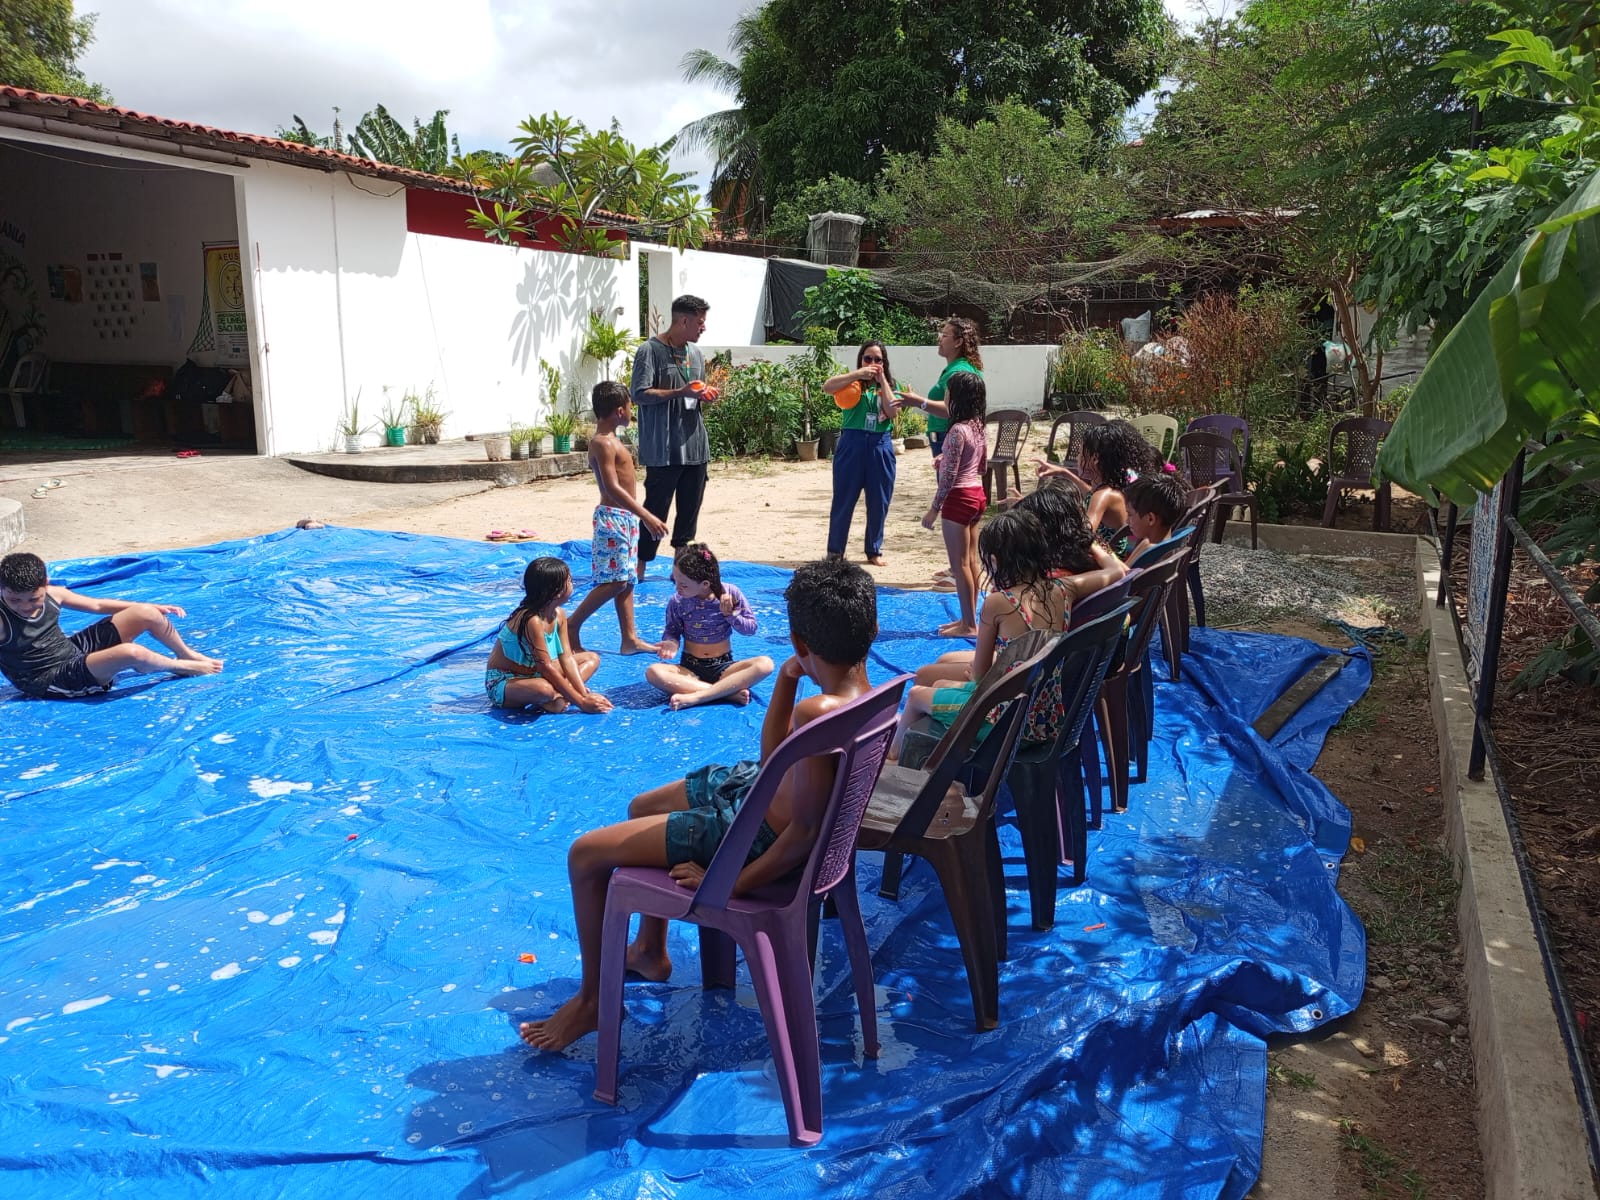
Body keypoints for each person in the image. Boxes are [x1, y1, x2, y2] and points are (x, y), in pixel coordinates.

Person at [520, 557, 879, 1052]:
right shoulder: (877, 697)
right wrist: (788, 677)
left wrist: (730, 880)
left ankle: (592, 1002)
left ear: (799, 642)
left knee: (585, 854)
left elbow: (802, 833)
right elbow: (772, 761)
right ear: (872, 630)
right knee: (642, 806)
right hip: (754, 791)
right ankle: (650, 950)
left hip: (750, 836)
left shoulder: (818, 712)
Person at [888, 510, 1125, 760]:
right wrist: (1090, 541)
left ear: (994, 560)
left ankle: (894, 757)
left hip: (1003, 721)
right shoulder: (1065, 589)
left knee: (915, 695)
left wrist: (974, 672)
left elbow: (980, 675)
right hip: (1045, 718)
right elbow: (1115, 570)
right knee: (939, 685)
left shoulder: (998, 603)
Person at [0, 551, 223, 698]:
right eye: (14, 600)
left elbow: (97, 605)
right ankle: (180, 667)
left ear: (45, 584)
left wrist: (151, 605)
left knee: (146, 612)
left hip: (72, 652)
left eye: (33, 598)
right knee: (132, 653)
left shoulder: (54, 593)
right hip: (50, 680)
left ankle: (185, 653)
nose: (25, 606)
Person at [567, 381, 670, 655]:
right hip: (613, 519)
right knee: (615, 581)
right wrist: (646, 515)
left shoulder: (612, 440)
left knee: (627, 579)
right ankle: (572, 625)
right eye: (629, 406)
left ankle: (629, 639)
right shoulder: (602, 443)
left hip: (625, 518)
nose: (632, 411)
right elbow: (611, 487)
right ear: (620, 411)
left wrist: (637, 517)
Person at [630, 294, 719, 581]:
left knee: (690, 510)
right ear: (683, 321)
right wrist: (680, 392)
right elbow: (639, 394)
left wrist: (705, 395)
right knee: (655, 509)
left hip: (694, 446)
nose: (703, 327)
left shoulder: (696, 354)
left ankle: (680, 569)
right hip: (663, 448)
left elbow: (696, 392)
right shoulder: (650, 351)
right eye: (700, 322)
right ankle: (639, 568)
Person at [646, 543, 775, 710]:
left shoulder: (730, 593)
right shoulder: (677, 601)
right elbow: (672, 630)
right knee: (653, 672)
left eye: (683, 585)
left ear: (705, 584)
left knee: (765, 664)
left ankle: (697, 696)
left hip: (725, 668)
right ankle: (726, 693)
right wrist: (671, 642)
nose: (677, 588)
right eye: (674, 581)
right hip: (689, 669)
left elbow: (751, 629)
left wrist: (731, 615)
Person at [484, 557, 611, 714]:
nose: (573, 584)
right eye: (570, 581)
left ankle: (559, 697)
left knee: (591, 658)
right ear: (557, 592)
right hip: (506, 680)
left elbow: (567, 658)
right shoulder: (532, 620)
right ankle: (555, 696)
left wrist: (583, 695)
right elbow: (545, 668)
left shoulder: (559, 615)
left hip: (535, 673)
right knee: (544, 689)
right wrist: (582, 703)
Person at [920, 372, 988, 638]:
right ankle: (969, 618)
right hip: (977, 494)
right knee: (971, 561)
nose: (945, 396)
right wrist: (946, 457)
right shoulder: (978, 427)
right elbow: (980, 465)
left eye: (947, 392)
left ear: (956, 396)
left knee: (959, 566)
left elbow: (948, 477)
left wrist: (934, 509)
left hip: (958, 499)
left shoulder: (958, 430)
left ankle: (969, 625)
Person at [822, 341, 900, 567]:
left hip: (879, 444)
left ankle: (874, 550)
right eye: (868, 358)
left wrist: (882, 381)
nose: (872, 363)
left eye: (878, 360)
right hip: (852, 442)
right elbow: (827, 387)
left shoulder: (889, 385)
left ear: (884, 363)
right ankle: (835, 552)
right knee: (843, 499)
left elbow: (893, 411)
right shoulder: (851, 381)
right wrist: (858, 374)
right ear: (860, 360)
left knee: (879, 501)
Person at [1034, 420, 1157, 558]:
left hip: (1108, 559)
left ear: (1095, 458)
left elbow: (1083, 535)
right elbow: (1091, 495)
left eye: (1080, 453)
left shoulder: (1103, 495)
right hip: (1115, 554)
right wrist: (1064, 473)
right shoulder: (1120, 482)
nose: (1077, 458)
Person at [1124, 470, 1191, 563]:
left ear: (1151, 519)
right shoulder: (1163, 547)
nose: (1127, 521)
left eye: (1130, 514)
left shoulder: (1148, 552)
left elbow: (1123, 571)